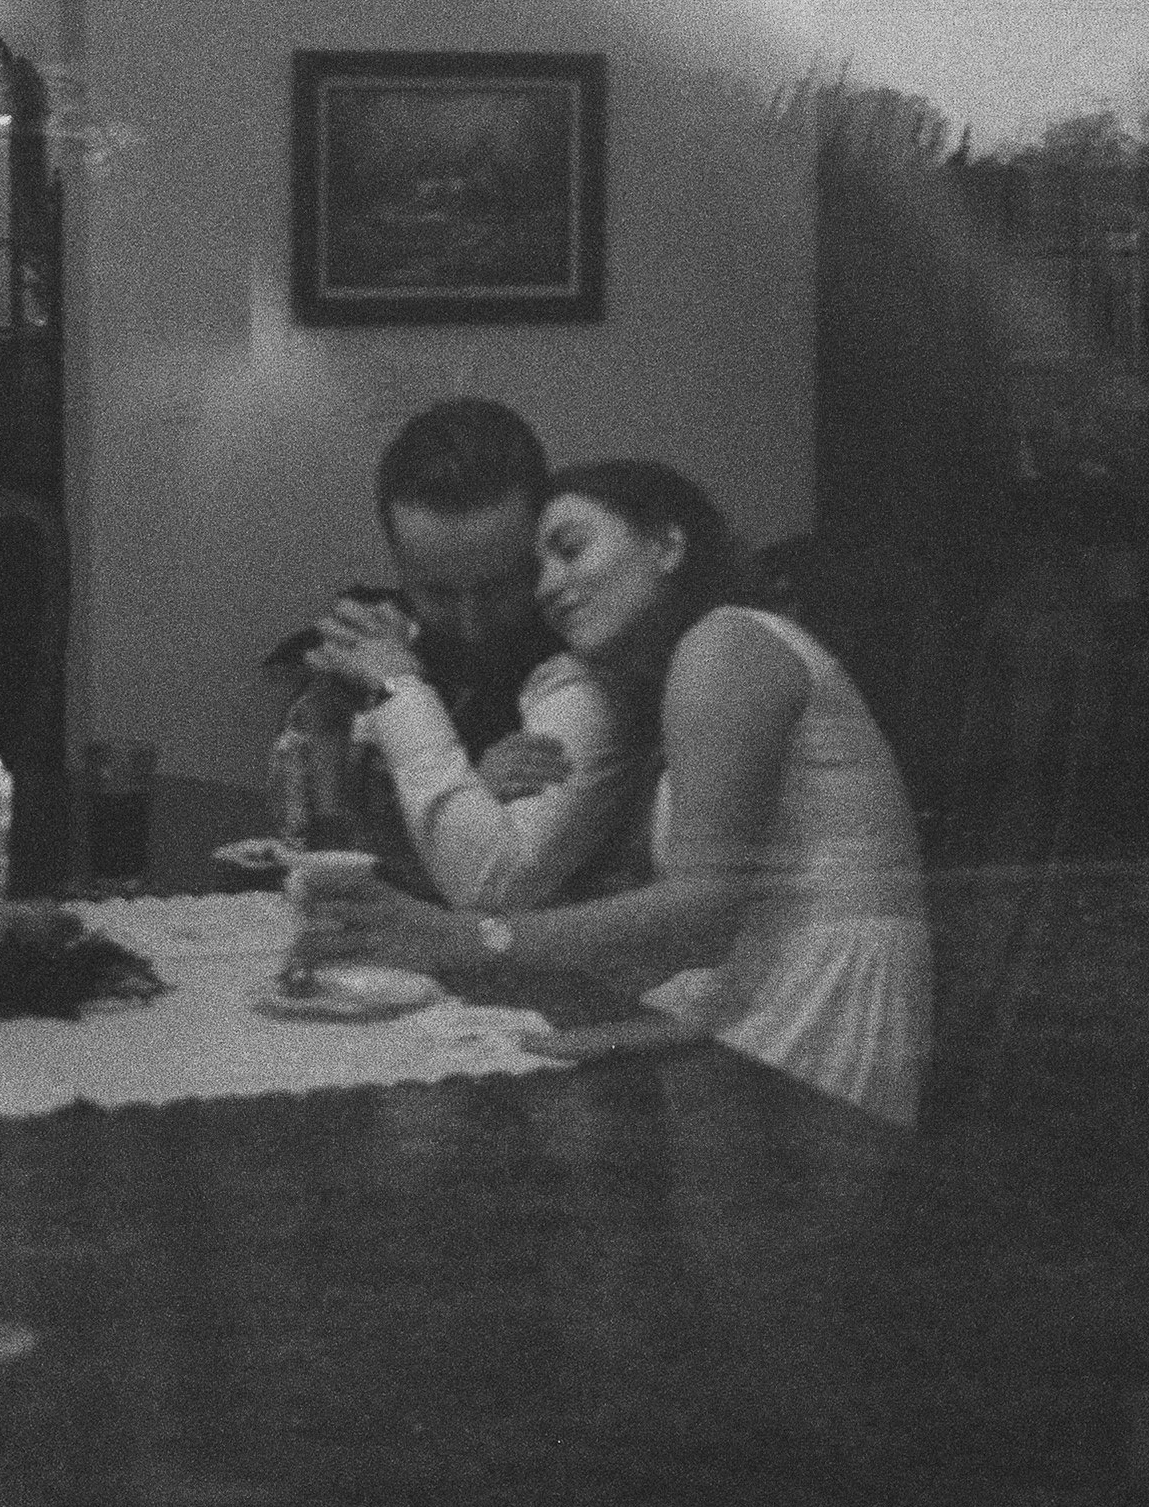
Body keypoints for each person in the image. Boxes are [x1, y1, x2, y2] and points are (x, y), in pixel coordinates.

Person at [292, 459, 935, 1128]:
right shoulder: (697, 660)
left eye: (569, 548)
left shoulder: (726, 642)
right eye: (539, 567)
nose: (548, 586)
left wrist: (459, 939)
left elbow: (704, 911)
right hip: (766, 989)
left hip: (825, 997)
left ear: (667, 545)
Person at [273, 399, 651, 913]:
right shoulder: (378, 636)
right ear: (397, 561)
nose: (470, 623)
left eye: (499, 588)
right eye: (437, 593)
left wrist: (439, 791)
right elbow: (310, 829)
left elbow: (494, 884)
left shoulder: (587, 662)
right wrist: (472, 787)